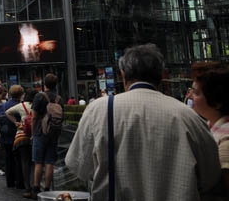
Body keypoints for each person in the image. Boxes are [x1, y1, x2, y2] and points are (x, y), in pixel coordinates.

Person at [66, 44, 221, 201]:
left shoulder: (99, 110)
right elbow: (211, 177)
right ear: (160, 75)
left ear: (123, 74)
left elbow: (79, 167)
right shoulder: (188, 117)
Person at [190, 61, 229, 195]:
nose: (189, 97)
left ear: (216, 102)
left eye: (196, 93)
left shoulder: (226, 142)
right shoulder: (208, 125)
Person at [29, 74, 62, 195]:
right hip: (54, 133)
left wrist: (33, 133)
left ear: (44, 84)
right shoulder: (59, 98)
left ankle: (36, 188)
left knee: (38, 162)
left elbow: (33, 117)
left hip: (40, 132)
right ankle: (47, 189)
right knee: (49, 162)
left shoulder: (39, 96)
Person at [7, 89, 36, 198]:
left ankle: (27, 187)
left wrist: (16, 122)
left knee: (24, 162)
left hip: (22, 135)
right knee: (36, 163)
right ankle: (36, 186)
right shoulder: (37, 105)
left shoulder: (22, 105)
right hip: (35, 136)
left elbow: (7, 112)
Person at [0, 85, 23, 189]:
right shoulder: (20, 106)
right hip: (17, 136)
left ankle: (10, 181)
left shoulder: (3, 105)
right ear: (20, 94)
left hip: (5, 136)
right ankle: (20, 182)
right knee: (19, 159)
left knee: (8, 158)